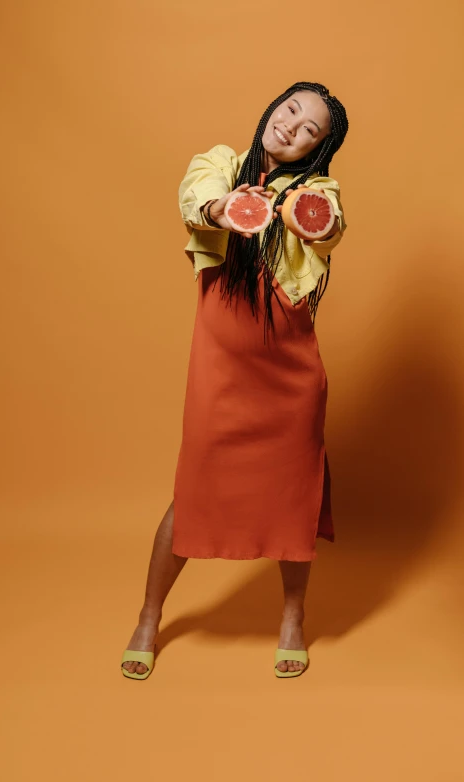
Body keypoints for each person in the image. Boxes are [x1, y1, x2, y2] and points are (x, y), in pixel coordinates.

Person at [121, 81, 349, 681]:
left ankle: (293, 618)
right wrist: (225, 208)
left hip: (290, 371)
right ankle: (149, 615)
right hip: (223, 365)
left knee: (294, 497)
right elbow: (197, 196)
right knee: (194, 488)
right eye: (291, 111)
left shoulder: (318, 189)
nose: (293, 128)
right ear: (273, 108)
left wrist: (313, 223)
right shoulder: (220, 163)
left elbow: (331, 226)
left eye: (311, 131)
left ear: (318, 150)